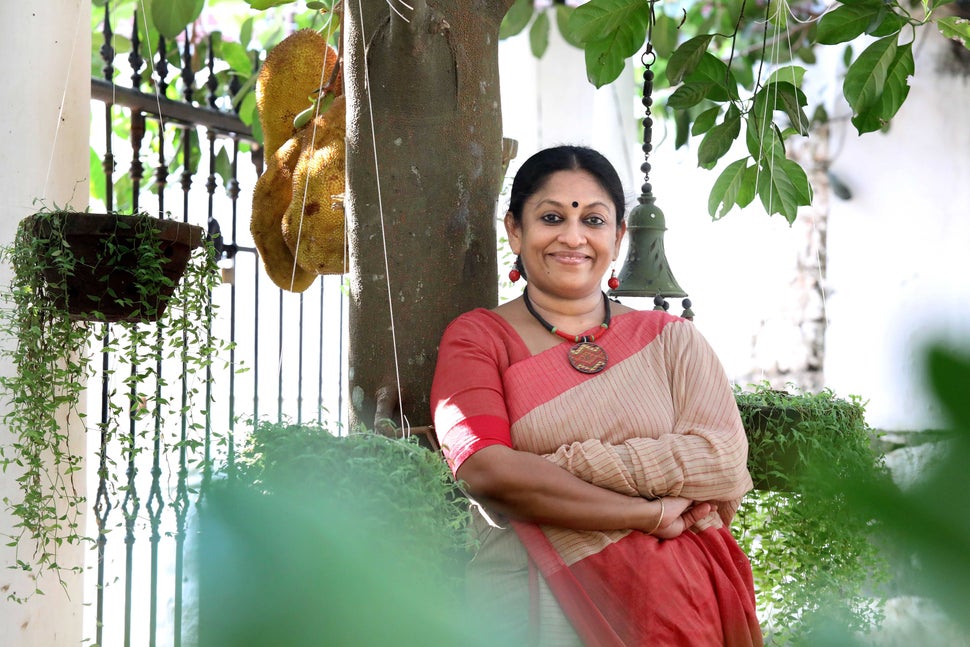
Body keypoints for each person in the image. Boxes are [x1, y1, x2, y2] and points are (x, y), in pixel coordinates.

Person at [430, 145, 762, 646]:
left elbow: (721, 461)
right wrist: (646, 513)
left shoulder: (670, 338)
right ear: (515, 230)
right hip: (528, 607)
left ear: (619, 235)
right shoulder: (478, 339)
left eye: (594, 219)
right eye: (551, 217)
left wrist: (547, 466)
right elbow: (487, 471)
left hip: (678, 608)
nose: (573, 236)